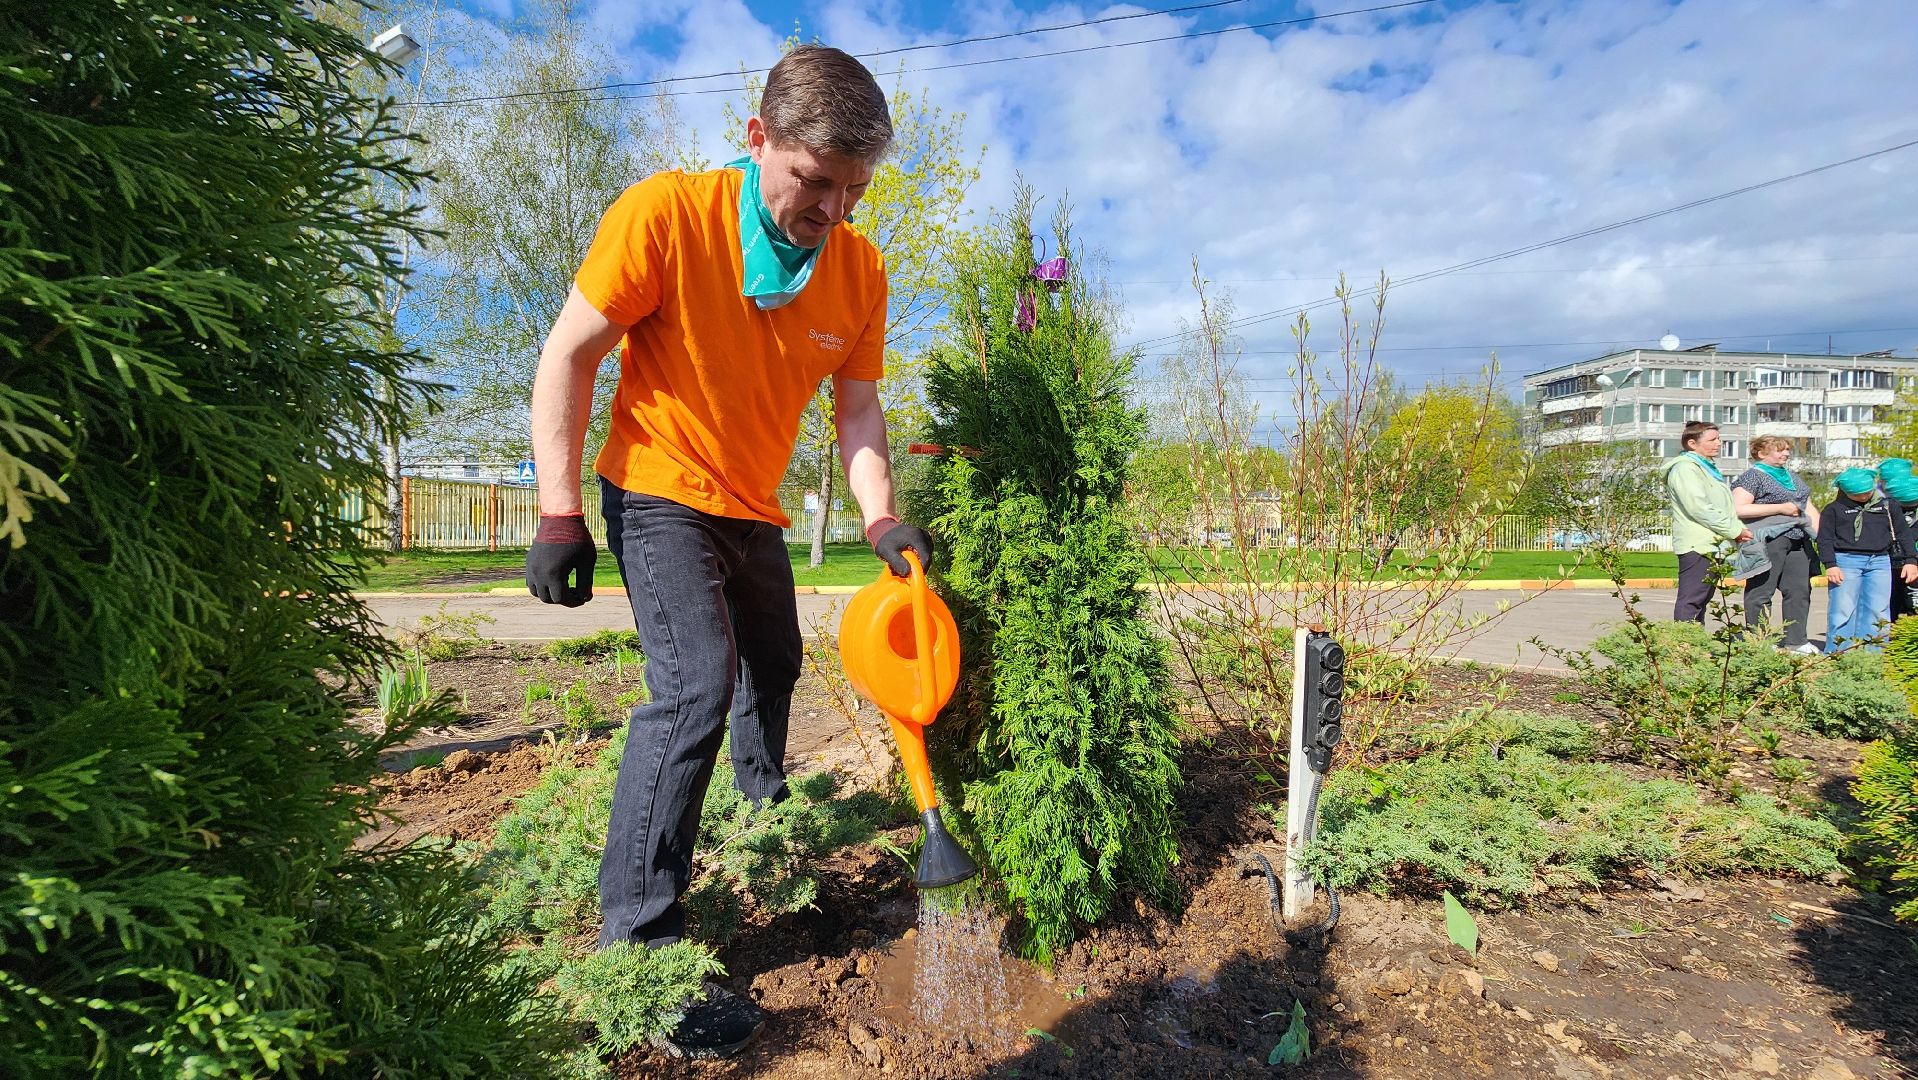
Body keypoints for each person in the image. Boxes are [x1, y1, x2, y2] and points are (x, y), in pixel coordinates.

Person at [522, 46, 935, 1060]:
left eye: (853, 188)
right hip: (657, 487)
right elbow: (569, 353)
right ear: (758, 141)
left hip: (752, 507)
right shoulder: (664, 215)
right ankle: (642, 950)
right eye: (813, 181)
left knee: (777, 668)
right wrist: (559, 511)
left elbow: (859, 411)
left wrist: (882, 519)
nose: (832, 208)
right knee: (694, 688)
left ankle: (761, 834)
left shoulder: (860, 268)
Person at [1730, 436, 1821, 653]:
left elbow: (1807, 507)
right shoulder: (1752, 477)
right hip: (1767, 540)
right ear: (1761, 454)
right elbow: (1738, 508)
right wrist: (1780, 508)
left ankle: (1796, 641)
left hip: (1798, 539)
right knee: (1762, 591)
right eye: (1780, 450)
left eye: (1787, 450)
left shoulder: (1792, 477)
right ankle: (1760, 642)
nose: (1786, 454)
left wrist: (1822, 537)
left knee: (1799, 590)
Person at [1814, 467, 1917, 653]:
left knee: (1878, 610)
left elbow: (1903, 534)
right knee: (1843, 610)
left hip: (1879, 561)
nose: (1863, 497)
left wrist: (1911, 560)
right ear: (1844, 491)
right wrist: (1830, 565)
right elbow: (1824, 539)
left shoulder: (1888, 505)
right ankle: (1838, 653)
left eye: (1866, 493)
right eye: (1856, 494)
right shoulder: (1833, 510)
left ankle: (1872, 655)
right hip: (1846, 561)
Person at [1661, 421, 1752, 623]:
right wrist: (1734, 530)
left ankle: (1694, 647)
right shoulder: (1686, 469)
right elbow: (1699, 507)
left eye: (1718, 439)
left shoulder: (1705, 469)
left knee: (1700, 599)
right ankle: (1685, 649)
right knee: (1691, 600)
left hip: (1711, 544)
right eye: (1712, 440)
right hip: (1698, 545)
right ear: (1692, 443)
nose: (1718, 443)